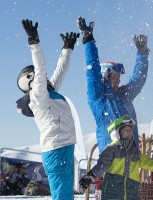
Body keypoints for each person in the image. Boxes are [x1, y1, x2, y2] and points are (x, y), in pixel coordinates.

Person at [17, 19, 79, 200]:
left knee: (66, 196)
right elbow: (40, 66)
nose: (44, 78)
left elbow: (60, 72)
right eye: (39, 77)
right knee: (62, 197)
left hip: (65, 146)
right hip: (55, 149)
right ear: (32, 81)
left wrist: (67, 48)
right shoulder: (38, 97)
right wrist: (33, 41)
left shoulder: (48, 92)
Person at [77, 17, 150, 152]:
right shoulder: (99, 97)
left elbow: (139, 79)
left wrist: (142, 53)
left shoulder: (124, 95)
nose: (118, 80)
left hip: (131, 155)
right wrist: (88, 41)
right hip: (110, 157)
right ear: (105, 77)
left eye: (119, 77)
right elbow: (93, 71)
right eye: (114, 77)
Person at [79, 115, 153, 200]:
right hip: (113, 194)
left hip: (132, 194)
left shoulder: (134, 151)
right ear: (116, 133)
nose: (129, 134)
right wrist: (90, 177)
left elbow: (148, 162)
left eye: (130, 131)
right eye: (126, 131)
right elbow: (101, 166)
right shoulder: (111, 150)